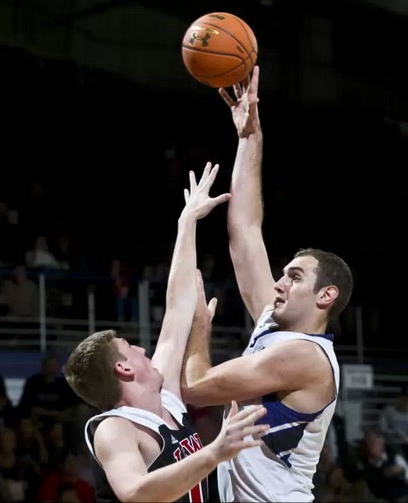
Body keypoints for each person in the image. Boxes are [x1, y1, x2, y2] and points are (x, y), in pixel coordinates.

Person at [181, 65, 354, 503]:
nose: (279, 283)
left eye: (294, 277)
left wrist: (198, 328)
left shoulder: (305, 357)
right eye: (282, 274)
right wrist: (249, 135)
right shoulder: (276, 325)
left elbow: (196, 387)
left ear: (326, 295)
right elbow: (244, 230)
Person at [62, 163, 269, 503]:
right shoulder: (114, 428)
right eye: (130, 347)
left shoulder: (166, 400)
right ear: (123, 368)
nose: (143, 350)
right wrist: (214, 452)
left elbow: (176, 310)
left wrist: (188, 222)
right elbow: (133, 492)